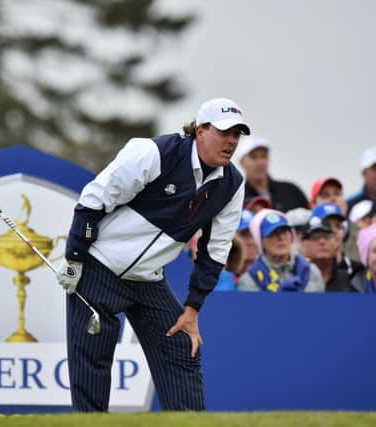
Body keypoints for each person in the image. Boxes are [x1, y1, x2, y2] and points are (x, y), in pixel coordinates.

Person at [57, 97, 249, 411]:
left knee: (182, 346)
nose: (231, 141)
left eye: (237, 134)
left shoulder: (232, 184)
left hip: (148, 281)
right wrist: (75, 258)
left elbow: (215, 252)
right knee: (92, 362)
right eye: (224, 132)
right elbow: (94, 199)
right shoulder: (154, 153)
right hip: (99, 268)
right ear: (200, 130)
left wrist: (192, 309)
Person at [238, 210, 324, 292]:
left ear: (291, 237)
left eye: (284, 232)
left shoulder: (311, 272)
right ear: (261, 241)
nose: (281, 238)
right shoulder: (250, 280)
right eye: (273, 233)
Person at [237, 135, 309, 212]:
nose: (260, 162)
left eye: (263, 156)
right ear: (242, 162)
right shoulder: (238, 199)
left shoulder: (291, 190)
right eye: (254, 157)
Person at [301, 218, 354, 292]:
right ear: (304, 245)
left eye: (327, 237)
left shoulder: (351, 277)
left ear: (336, 243)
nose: (322, 242)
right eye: (315, 237)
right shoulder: (296, 279)